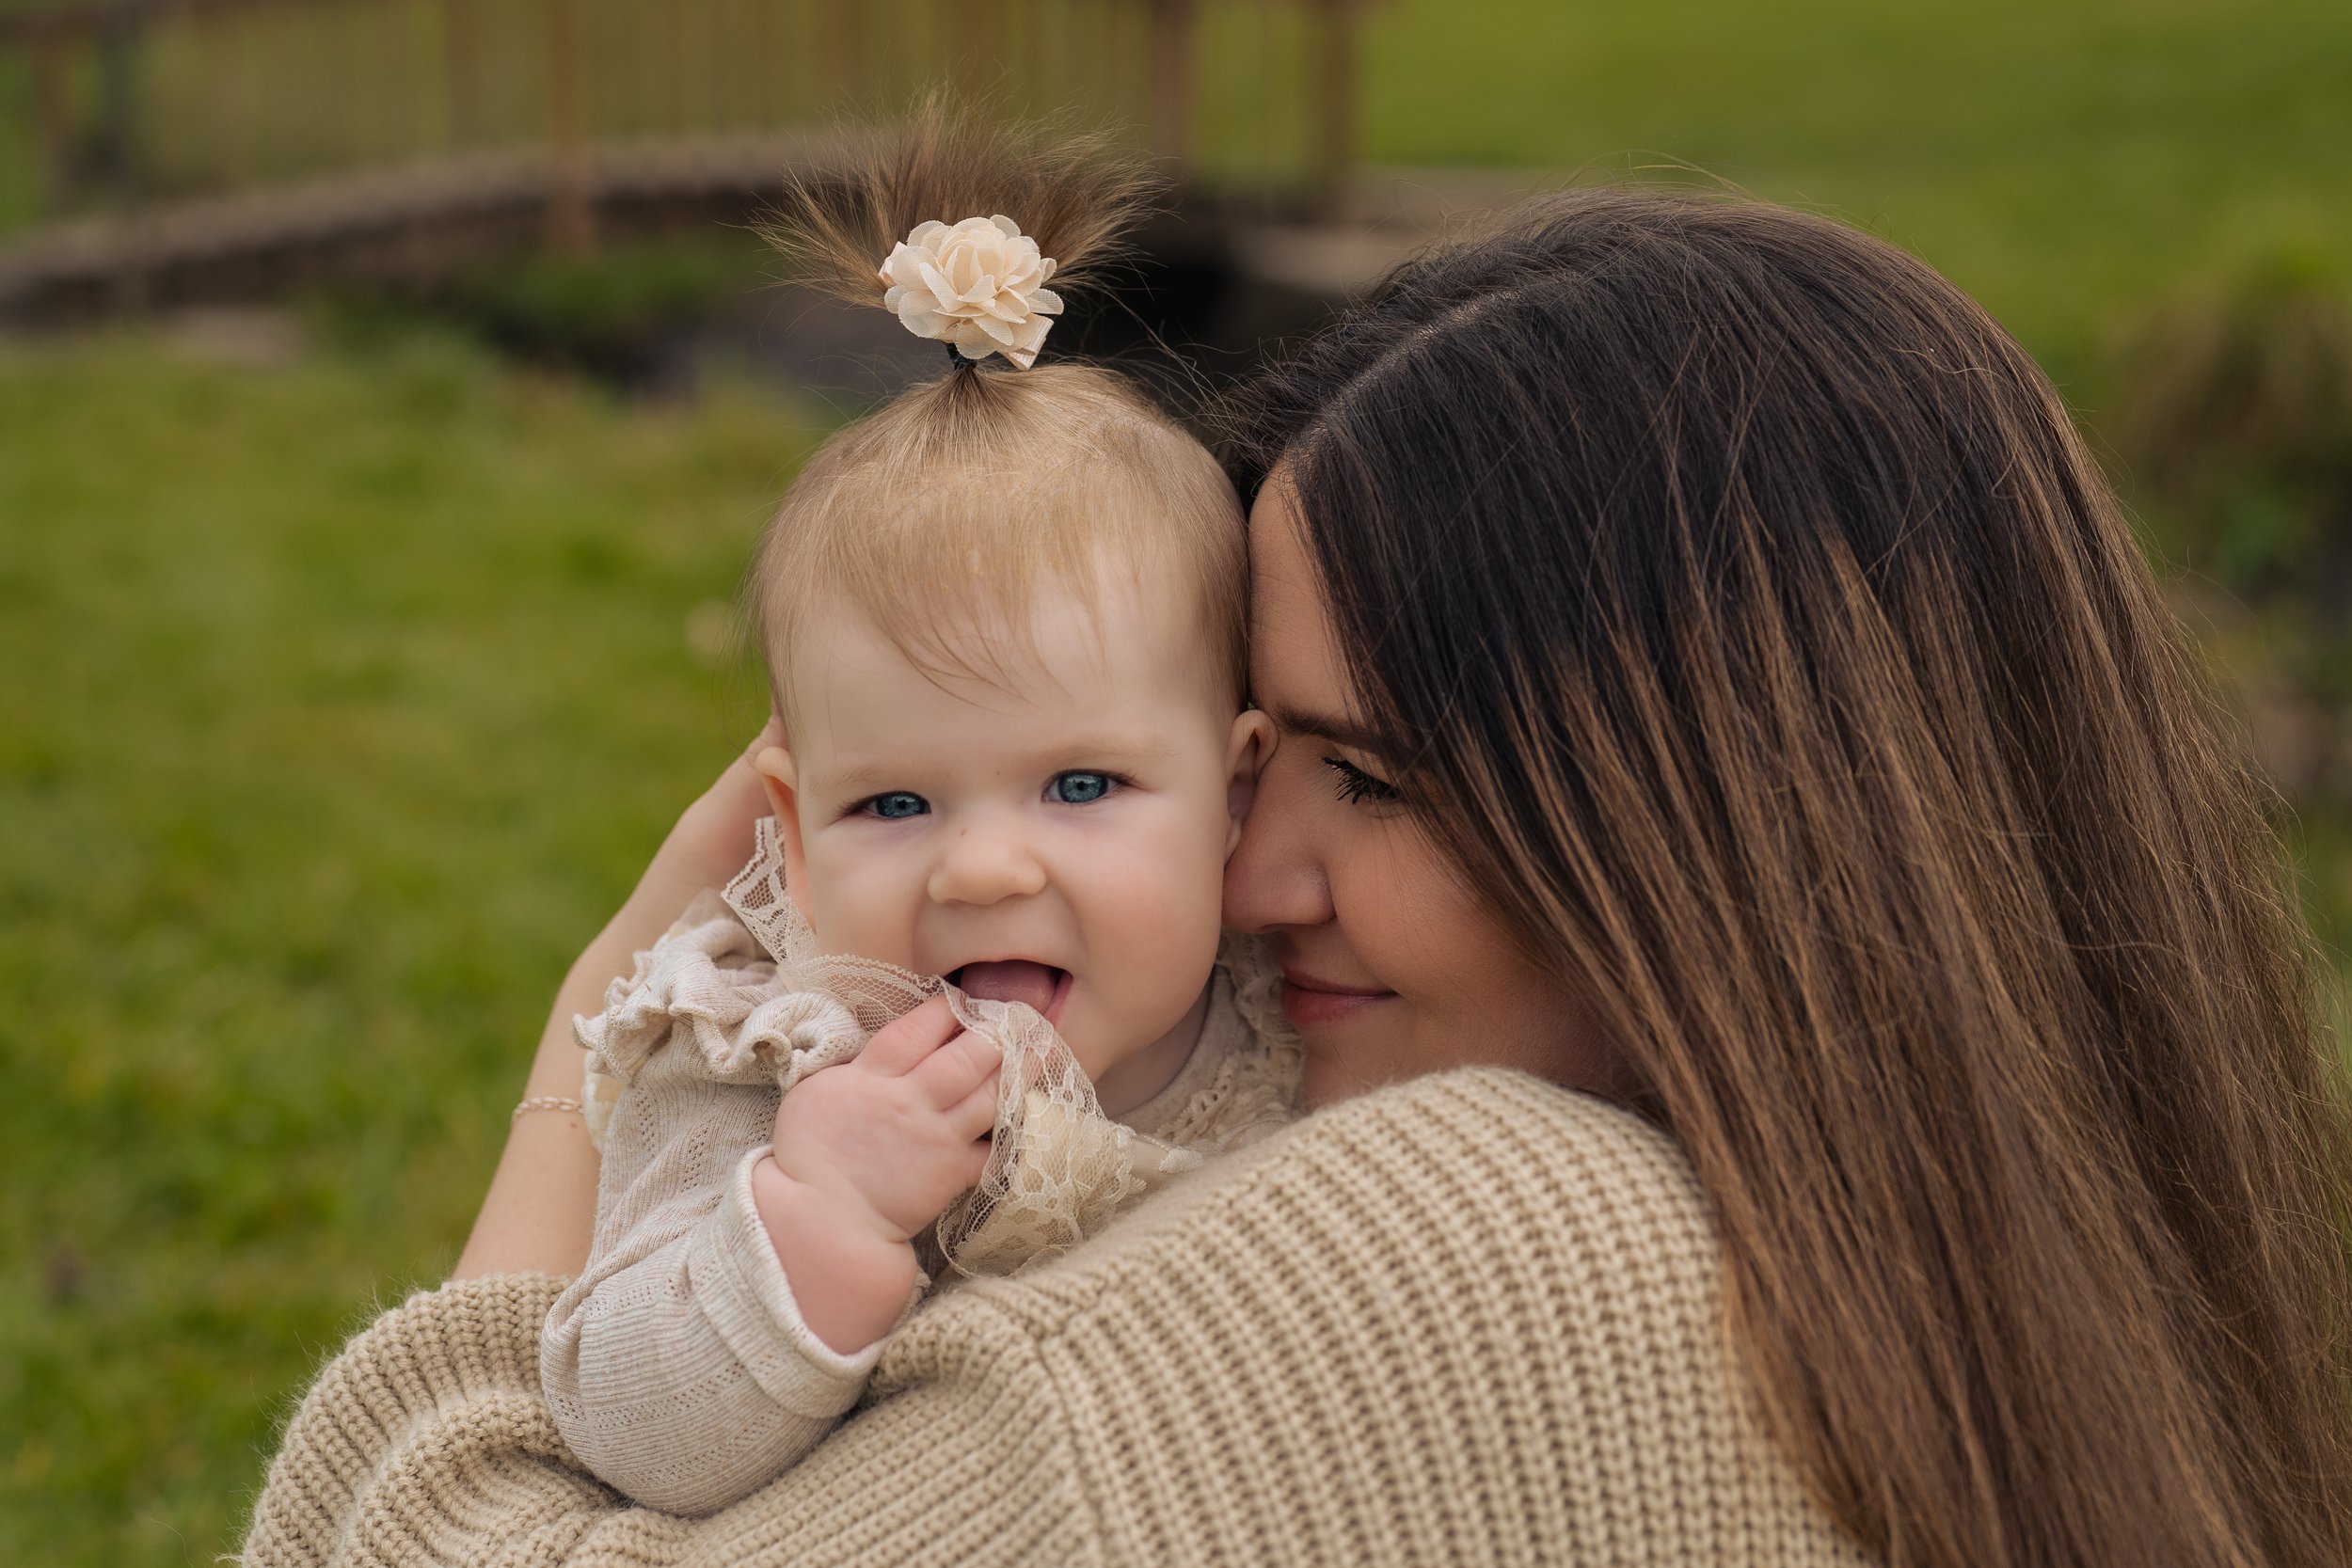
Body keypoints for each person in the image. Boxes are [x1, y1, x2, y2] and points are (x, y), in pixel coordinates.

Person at [239, 187, 2352, 1568]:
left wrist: (578, 1057)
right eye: (1255, 757)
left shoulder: (1462, 1258)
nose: (1248, 878)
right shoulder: (2097, 1303)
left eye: (1370, 777)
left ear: (1711, 817)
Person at [532, 119, 1297, 1517]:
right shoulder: (760, 1064)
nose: (987, 866)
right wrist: (817, 1223)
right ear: (796, 830)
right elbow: (618, 1428)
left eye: (1082, 786)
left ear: (1239, 790)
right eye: (894, 801)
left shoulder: (1301, 1029)